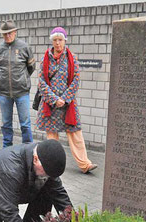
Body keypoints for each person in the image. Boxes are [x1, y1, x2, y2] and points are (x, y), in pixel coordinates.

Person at [36, 27, 97, 174]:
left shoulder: (72, 58)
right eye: (55, 40)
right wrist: (54, 99)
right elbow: (41, 81)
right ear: (52, 41)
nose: (57, 43)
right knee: (52, 138)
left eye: (60, 40)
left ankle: (84, 164)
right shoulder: (45, 58)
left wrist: (64, 98)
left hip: (67, 105)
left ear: (65, 41)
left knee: (76, 134)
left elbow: (76, 80)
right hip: (51, 105)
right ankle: (53, 165)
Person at [0, 20, 35, 148]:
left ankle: (27, 148)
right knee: (6, 123)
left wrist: (21, 79)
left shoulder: (24, 47)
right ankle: (6, 149)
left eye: (10, 33)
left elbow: (31, 67)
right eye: (5, 34)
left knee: (25, 124)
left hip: (21, 92)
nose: (7, 36)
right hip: (4, 92)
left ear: (15, 32)